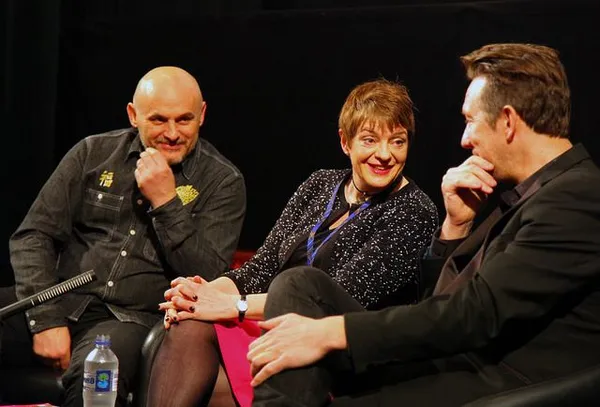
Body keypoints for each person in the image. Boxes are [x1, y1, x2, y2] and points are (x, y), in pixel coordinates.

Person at [247, 43, 600, 406]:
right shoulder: (537, 193)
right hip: (454, 358)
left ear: (508, 122)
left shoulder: (576, 197)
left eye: (470, 120)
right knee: (299, 284)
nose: (465, 139)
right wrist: (456, 225)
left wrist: (332, 332)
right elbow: (441, 301)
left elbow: (475, 313)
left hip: (500, 382)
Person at [146, 78, 439, 407]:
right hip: (275, 326)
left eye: (397, 142)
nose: (384, 155)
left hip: (338, 349)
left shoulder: (414, 212)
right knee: (188, 323)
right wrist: (197, 297)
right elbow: (262, 266)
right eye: (370, 140)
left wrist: (232, 305)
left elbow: (333, 297)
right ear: (346, 142)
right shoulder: (320, 184)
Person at [0, 66, 246, 407]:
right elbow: (33, 236)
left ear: (202, 115)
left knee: (96, 375)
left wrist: (166, 203)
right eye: (158, 120)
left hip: (130, 321)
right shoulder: (93, 153)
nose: (172, 133)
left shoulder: (222, 181)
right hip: (60, 298)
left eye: (184, 120)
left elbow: (208, 276)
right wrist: (46, 320)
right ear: (133, 115)